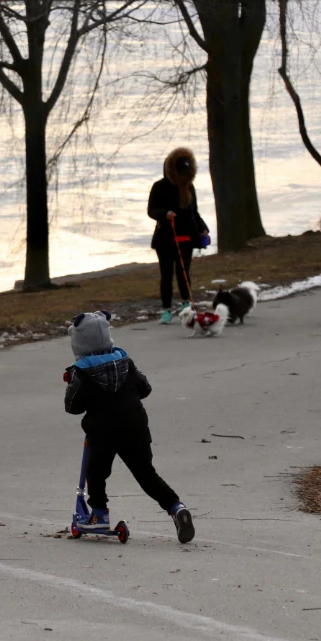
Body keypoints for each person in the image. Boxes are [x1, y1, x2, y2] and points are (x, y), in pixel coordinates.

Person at [63, 311, 195, 543]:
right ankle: (176, 507)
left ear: (79, 343)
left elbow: (72, 406)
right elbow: (145, 388)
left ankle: (100, 515)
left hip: (103, 432)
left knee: (97, 474)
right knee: (146, 474)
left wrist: (73, 383)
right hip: (135, 426)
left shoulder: (82, 372)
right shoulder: (125, 362)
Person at [148, 147, 210, 324]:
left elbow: (194, 212)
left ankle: (186, 304)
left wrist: (203, 228)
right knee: (166, 274)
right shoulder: (159, 187)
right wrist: (165, 213)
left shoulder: (189, 187)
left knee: (183, 272)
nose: (184, 178)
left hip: (187, 237)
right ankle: (166, 309)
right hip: (165, 238)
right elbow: (151, 210)